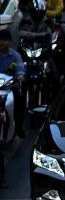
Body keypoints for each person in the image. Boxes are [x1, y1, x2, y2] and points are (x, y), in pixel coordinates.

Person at [0, 29, 25, 188]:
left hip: (8, 89)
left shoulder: (14, 56)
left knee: (20, 98)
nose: (2, 43)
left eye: (4, 40)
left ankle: (20, 125)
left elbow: (21, 69)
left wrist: (20, 76)